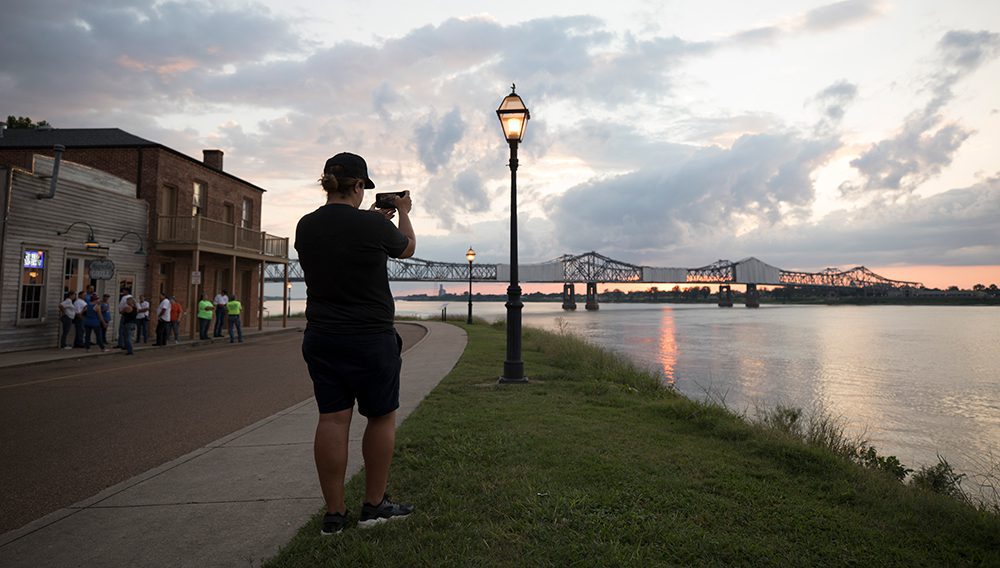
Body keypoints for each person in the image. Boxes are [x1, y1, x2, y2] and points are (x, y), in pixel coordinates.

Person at [295, 152, 416, 535]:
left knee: (332, 417)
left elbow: (342, 245)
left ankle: (334, 516)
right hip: (370, 337)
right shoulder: (371, 227)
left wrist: (372, 223)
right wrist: (405, 212)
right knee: (380, 416)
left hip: (322, 335)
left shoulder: (306, 225)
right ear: (360, 186)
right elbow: (407, 247)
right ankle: (374, 506)